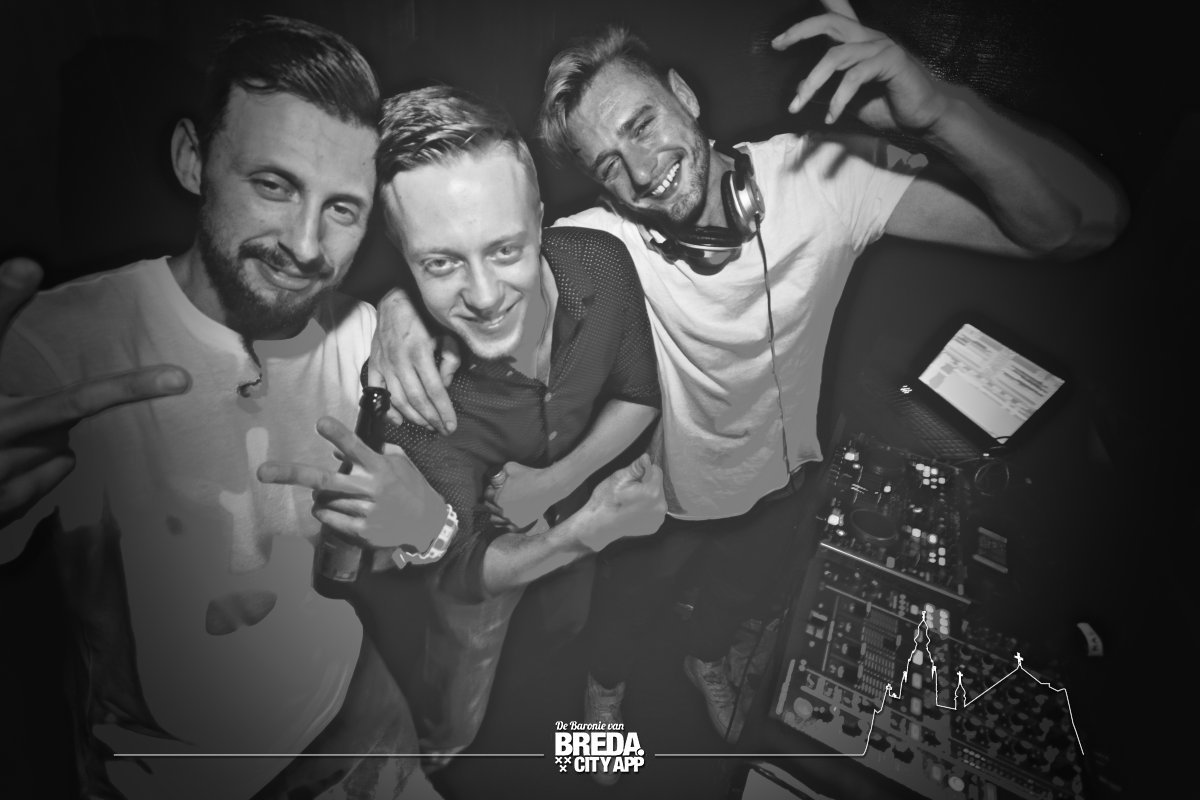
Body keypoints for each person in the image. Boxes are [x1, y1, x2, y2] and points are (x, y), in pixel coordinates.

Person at [368, 0, 1128, 770]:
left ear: (683, 94)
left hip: (784, 477)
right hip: (660, 496)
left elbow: (1077, 228)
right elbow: (484, 264)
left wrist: (940, 112)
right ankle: (603, 701)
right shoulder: (606, 242)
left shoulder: (819, 179)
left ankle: (707, 660)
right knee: (624, 618)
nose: (642, 171)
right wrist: (398, 305)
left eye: (642, 124)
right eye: (610, 165)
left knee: (739, 601)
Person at [0, 16, 450, 800]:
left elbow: (423, 527)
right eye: (273, 185)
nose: (305, 245)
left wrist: (426, 526)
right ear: (193, 159)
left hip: (361, 723)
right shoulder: (58, 347)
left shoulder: (366, 337)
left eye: (342, 209)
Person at [264, 85, 667, 759]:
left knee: (563, 627)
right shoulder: (415, 396)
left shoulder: (599, 259)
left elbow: (639, 394)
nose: (483, 297)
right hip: (503, 563)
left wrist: (554, 486)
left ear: (540, 218)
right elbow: (461, 568)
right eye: (440, 263)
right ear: (404, 258)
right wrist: (582, 535)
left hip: (576, 507)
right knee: (459, 698)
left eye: (505, 249)